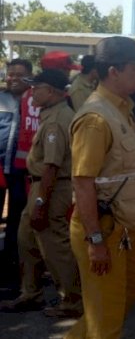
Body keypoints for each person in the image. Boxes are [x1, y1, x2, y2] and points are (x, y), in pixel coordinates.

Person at [65, 36, 135, 338]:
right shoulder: (96, 118)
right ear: (113, 71)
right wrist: (95, 240)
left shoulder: (123, 111)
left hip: (124, 228)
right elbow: (82, 182)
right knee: (106, 320)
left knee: (127, 293)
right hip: (103, 227)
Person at [1, 70, 81, 317]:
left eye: (38, 88)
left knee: (53, 245)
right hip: (42, 185)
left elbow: (51, 166)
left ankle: (72, 300)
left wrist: (40, 202)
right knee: (27, 240)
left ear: (53, 92)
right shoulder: (51, 114)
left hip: (51, 187)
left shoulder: (58, 119)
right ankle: (31, 294)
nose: (32, 92)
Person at [0, 59, 31, 287]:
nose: (13, 78)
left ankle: (12, 269)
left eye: (19, 74)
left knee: (17, 222)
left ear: (29, 77)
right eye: (11, 74)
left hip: (23, 172)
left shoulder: (35, 101)